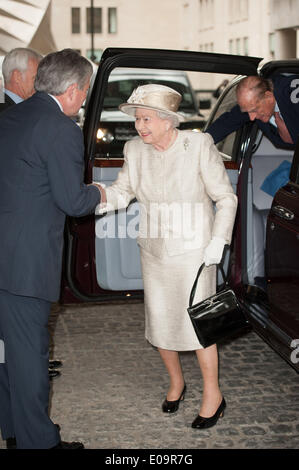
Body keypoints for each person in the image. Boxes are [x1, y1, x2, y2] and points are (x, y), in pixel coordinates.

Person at [95, 84, 238, 429]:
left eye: (146, 119)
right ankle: (176, 383)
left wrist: (218, 240)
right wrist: (92, 198)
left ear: (167, 121)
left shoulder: (197, 145)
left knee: (200, 324)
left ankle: (213, 395)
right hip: (155, 250)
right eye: (138, 120)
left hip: (196, 253)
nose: (139, 126)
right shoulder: (134, 150)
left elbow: (226, 198)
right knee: (159, 321)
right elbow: (122, 191)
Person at [0, 49, 105, 449]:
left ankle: (14, 432)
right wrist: (99, 191)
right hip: (24, 267)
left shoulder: (10, 117)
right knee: (28, 360)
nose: (83, 100)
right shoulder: (60, 127)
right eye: (86, 92)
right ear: (75, 89)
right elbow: (73, 201)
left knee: (5, 355)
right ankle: (39, 444)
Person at [0, 47, 62, 382]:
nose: (41, 83)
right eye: (37, 75)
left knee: (9, 345)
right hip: (17, 255)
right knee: (13, 344)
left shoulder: (21, 114)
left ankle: (13, 421)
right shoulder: (13, 115)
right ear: (18, 76)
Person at [206, 75, 299, 149]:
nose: (251, 117)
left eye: (254, 110)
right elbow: (225, 123)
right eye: (248, 112)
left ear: (268, 96)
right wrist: (200, 143)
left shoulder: (292, 92)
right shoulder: (252, 104)